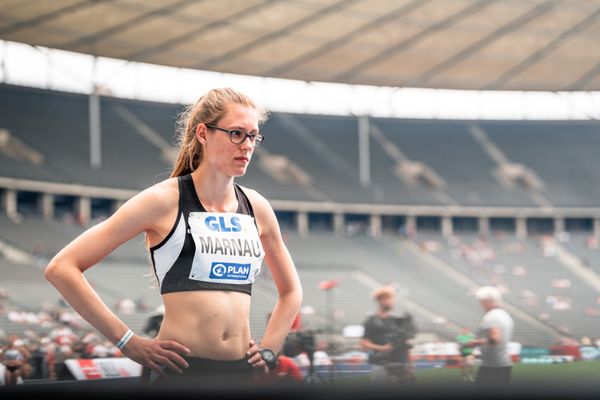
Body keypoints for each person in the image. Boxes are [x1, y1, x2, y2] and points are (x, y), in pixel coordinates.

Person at [45, 88, 303, 387]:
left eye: (253, 136)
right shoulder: (163, 200)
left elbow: (291, 292)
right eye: (235, 134)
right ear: (203, 134)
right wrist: (127, 341)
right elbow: (62, 267)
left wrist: (270, 349)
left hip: (241, 373)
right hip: (180, 372)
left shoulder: (257, 206)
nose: (246, 145)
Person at [360, 286, 415, 384]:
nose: (392, 302)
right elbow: (364, 343)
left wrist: (410, 365)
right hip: (382, 365)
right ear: (381, 300)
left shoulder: (397, 320)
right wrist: (383, 348)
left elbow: (405, 343)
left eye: (392, 299)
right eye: (389, 299)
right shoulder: (371, 321)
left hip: (401, 365)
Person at [465, 286, 514, 387]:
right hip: (504, 364)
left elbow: (495, 339)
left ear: (487, 301)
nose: (480, 304)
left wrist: (475, 343)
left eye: (481, 301)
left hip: (492, 367)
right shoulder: (504, 315)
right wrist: (477, 355)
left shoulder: (491, 316)